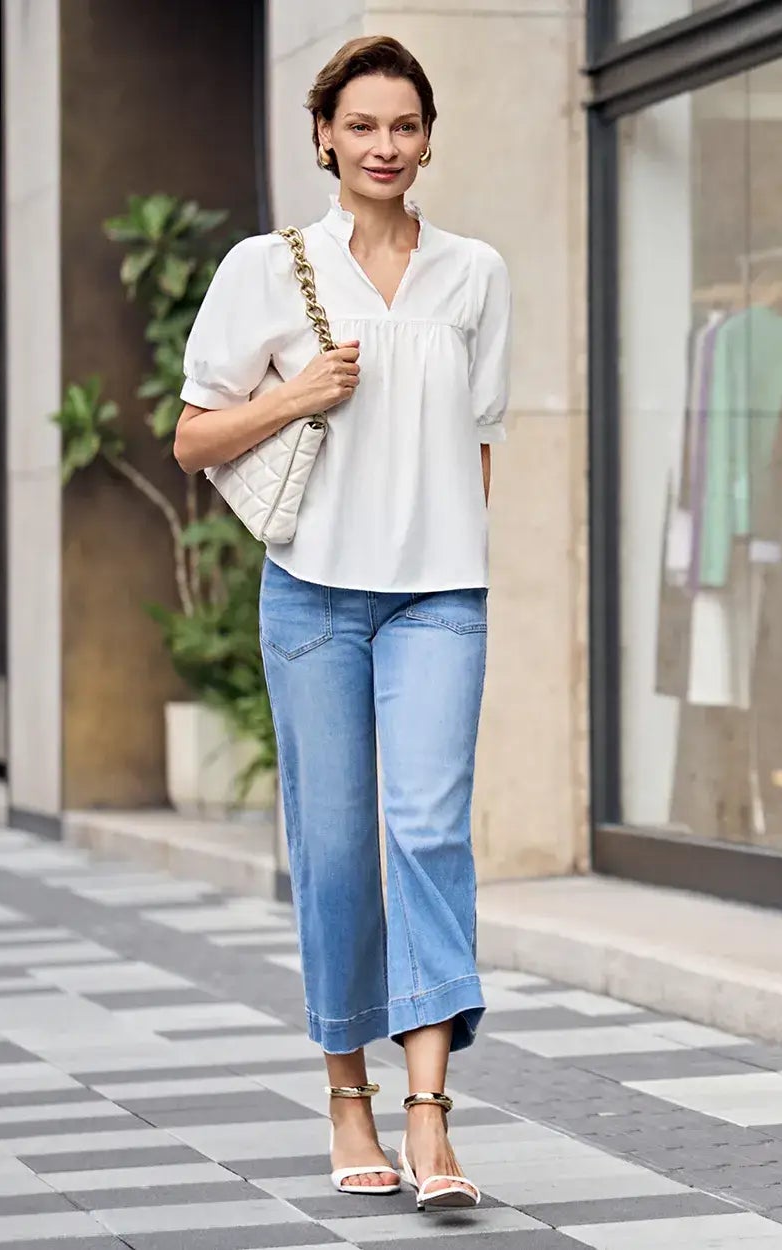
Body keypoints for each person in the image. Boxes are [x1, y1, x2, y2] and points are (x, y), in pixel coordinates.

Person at [169, 34, 509, 1212]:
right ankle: (346, 1096)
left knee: (427, 831)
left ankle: (431, 1116)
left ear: (427, 139)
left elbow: (477, 448)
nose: (383, 146)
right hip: (312, 593)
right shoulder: (271, 269)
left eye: (403, 126)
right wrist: (295, 393)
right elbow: (192, 436)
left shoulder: (475, 274)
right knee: (333, 849)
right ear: (323, 136)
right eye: (361, 126)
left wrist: (456, 554)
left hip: (438, 598)